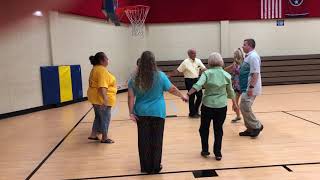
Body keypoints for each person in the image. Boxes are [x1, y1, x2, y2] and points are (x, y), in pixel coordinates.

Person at [128, 51, 188, 174]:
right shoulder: (160, 76)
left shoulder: (134, 78)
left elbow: (130, 97)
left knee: (143, 140)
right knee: (156, 140)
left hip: (141, 112)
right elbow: (171, 89)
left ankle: (145, 167)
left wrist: (131, 112)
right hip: (158, 112)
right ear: (153, 61)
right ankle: (155, 166)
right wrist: (181, 96)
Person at [187, 52, 238, 161]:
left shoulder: (206, 74)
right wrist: (234, 103)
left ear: (210, 62)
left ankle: (205, 150)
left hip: (207, 106)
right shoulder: (226, 75)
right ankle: (218, 153)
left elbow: (198, 85)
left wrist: (188, 94)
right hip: (221, 106)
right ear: (221, 61)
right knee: (218, 129)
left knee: (204, 129)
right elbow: (231, 91)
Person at [87, 52, 117, 143]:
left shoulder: (95, 68)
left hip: (94, 97)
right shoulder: (102, 70)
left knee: (98, 116)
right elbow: (102, 86)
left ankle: (93, 134)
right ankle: (105, 137)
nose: (108, 60)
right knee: (105, 117)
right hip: (100, 98)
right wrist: (105, 99)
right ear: (102, 60)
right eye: (106, 58)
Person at [169, 49, 207, 118]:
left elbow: (204, 69)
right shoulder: (185, 62)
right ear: (189, 54)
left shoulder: (198, 61)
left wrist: (210, 74)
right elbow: (178, 70)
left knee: (200, 96)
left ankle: (195, 111)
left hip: (197, 80)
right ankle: (192, 113)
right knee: (192, 97)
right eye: (193, 53)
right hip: (189, 81)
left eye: (195, 53)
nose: (194, 54)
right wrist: (169, 76)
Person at [239, 39, 264, 138]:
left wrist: (251, 87)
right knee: (243, 106)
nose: (242, 46)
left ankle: (256, 126)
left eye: (244, 45)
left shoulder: (253, 57)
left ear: (249, 46)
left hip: (251, 87)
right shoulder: (248, 56)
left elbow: (255, 73)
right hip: (247, 86)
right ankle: (250, 128)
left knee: (245, 106)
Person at [224, 48, 245, 122]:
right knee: (235, 102)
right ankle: (238, 115)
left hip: (241, 85)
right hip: (236, 84)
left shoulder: (244, 63)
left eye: (235, 55)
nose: (234, 56)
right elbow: (226, 69)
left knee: (236, 102)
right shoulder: (235, 63)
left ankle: (239, 115)